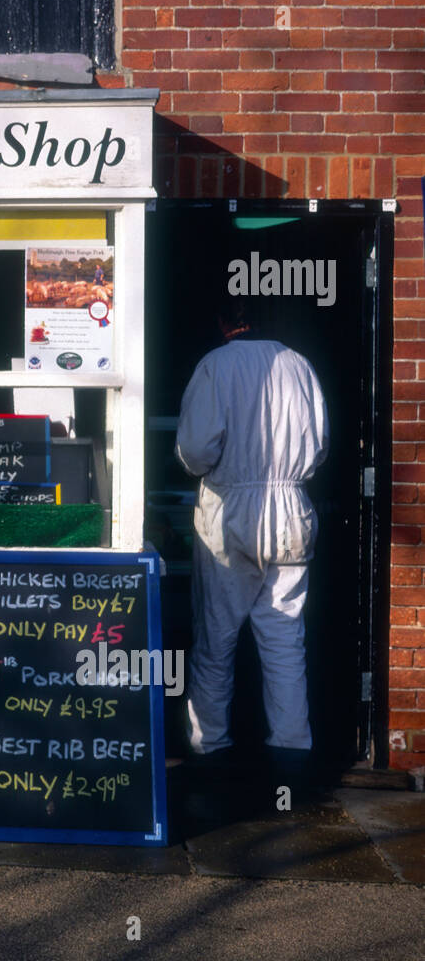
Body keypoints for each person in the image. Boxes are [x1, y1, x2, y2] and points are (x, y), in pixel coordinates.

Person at [176, 298, 328, 775]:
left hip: (230, 509)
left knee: (216, 637)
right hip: (290, 508)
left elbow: (196, 450)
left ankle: (210, 747)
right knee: (285, 637)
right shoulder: (299, 365)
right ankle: (290, 749)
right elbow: (319, 445)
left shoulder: (214, 366)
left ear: (223, 321)